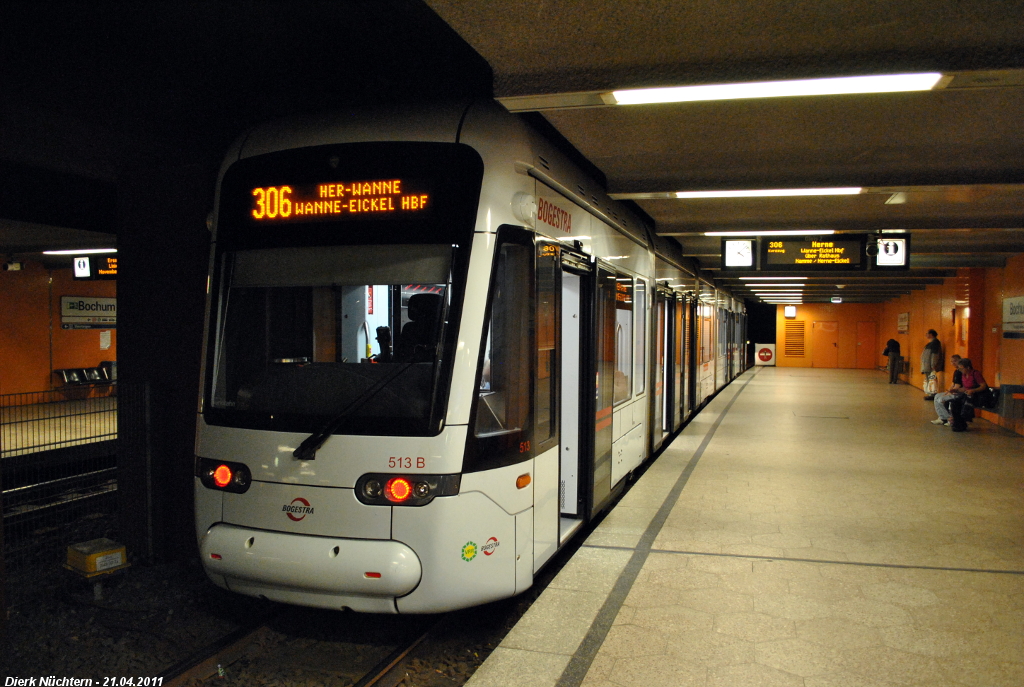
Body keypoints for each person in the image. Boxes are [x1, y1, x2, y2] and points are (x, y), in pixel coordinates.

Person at [947, 358, 990, 432]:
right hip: (968, 395)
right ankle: (959, 424)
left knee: (964, 403)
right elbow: (965, 388)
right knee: (954, 403)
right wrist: (956, 390)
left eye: (962, 368)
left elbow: (983, 386)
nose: (960, 371)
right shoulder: (963, 375)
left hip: (977, 396)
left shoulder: (975, 373)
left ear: (968, 367)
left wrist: (973, 390)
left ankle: (962, 423)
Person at [930, 354, 962, 425]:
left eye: (955, 361)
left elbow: (957, 386)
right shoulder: (956, 371)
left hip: (958, 393)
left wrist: (950, 392)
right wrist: (947, 391)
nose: (953, 363)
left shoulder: (960, 372)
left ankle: (948, 418)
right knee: (937, 396)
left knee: (940, 399)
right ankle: (942, 417)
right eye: (951, 361)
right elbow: (953, 383)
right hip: (953, 392)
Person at [920, 329, 943, 400]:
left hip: (929, 365)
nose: (926, 335)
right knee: (929, 379)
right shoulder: (931, 343)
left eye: (927, 333)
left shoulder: (935, 343)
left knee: (931, 379)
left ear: (931, 334)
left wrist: (933, 365)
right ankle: (930, 393)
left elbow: (934, 355)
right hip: (927, 364)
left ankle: (932, 394)